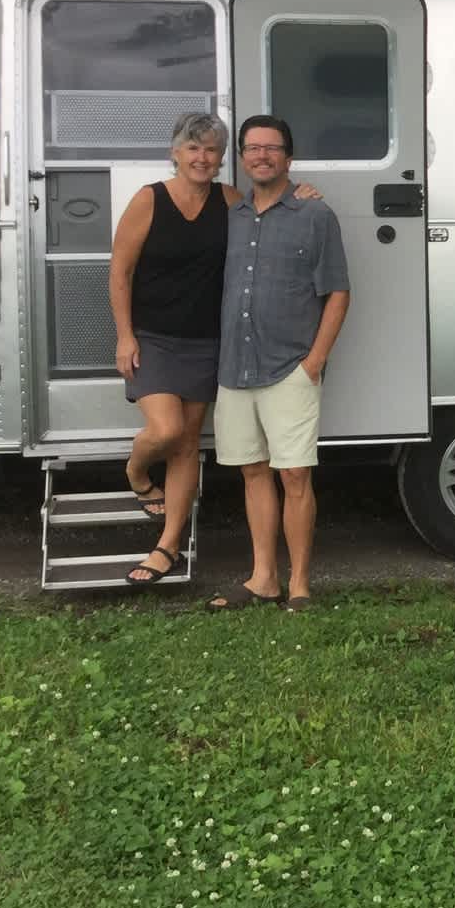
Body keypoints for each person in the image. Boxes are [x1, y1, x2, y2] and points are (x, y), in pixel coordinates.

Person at [108, 112, 321, 588]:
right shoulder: (149, 200)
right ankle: (137, 470)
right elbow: (120, 271)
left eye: (211, 150)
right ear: (175, 153)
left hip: (208, 341)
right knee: (165, 430)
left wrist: (303, 194)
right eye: (193, 148)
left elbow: (271, 209)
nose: (202, 158)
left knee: (187, 444)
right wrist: (125, 335)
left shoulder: (228, 201)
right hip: (154, 338)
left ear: (222, 157)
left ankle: (168, 545)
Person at [208, 115, 350, 611]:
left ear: (288, 158)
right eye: (252, 148)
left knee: (294, 476)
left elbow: (338, 292)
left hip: (290, 366)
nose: (262, 156)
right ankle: (264, 578)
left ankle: (300, 585)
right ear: (242, 158)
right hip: (235, 367)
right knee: (253, 472)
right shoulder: (231, 215)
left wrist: (315, 360)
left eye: (271, 148)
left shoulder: (315, 214)